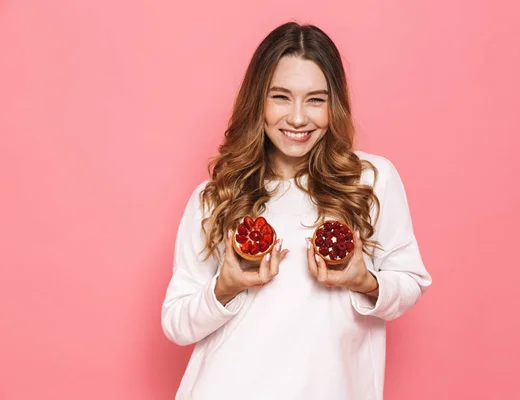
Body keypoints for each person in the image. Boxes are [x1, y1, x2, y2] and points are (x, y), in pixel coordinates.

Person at [161, 21, 432, 400]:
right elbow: (176, 323)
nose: (298, 118)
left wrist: (364, 281)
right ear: (258, 100)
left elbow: (411, 281)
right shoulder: (215, 196)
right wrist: (226, 287)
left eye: (316, 100)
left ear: (334, 104)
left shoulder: (370, 181)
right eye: (281, 97)